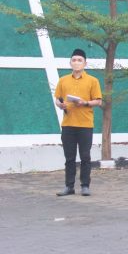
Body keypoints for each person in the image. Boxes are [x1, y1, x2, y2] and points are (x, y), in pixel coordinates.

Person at [54, 48, 102, 197]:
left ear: (85, 63)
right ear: (70, 62)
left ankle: (85, 185)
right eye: (74, 60)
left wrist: (85, 103)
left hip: (85, 125)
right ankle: (69, 186)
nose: (76, 63)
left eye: (79, 60)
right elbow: (57, 98)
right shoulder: (63, 80)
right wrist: (60, 104)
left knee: (85, 156)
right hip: (68, 124)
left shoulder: (93, 81)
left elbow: (99, 101)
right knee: (69, 158)